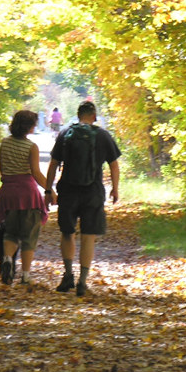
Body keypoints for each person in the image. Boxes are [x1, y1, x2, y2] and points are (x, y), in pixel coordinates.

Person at [45, 100, 121, 297]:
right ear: (94, 117)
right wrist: (115, 189)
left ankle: (68, 274)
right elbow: (114, 165)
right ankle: (83, 281)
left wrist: (48, 190)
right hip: (93, 191)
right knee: (88, 235)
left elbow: (53, 164)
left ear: (78, 116)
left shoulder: (65, 134)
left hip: (68, 191)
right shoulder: (102, 135)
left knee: (67, 232)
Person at [0, 110, 48, 286]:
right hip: (28, 194)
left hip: (8, 193)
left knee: (10, 232)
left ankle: (8, 260)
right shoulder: (31, 147)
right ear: (29, 127)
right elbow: (36, 173)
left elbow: (2, 170)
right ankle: (25, 276)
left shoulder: (4, 144)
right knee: (29, 236)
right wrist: (50, 190)